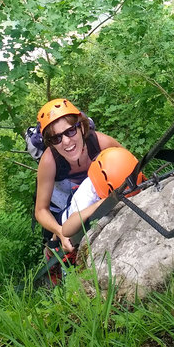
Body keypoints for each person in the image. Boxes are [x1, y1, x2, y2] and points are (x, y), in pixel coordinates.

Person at [34, 98, 122, 253]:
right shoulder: (49, 161)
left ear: (81, 127)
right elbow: (41, 210)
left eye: (70, 131)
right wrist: (60, 231)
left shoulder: (102, 143)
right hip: (62, 206)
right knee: (56, 242)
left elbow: (130, 168)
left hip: (94, 193)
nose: (66, 141)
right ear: (50, 142)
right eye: (56, 138)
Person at [60, 146, 145, 238]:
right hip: (66, 217)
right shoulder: (87, 195)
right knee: (58, 241)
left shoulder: (111, 171)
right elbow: (66, 230)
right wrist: (98, 204)